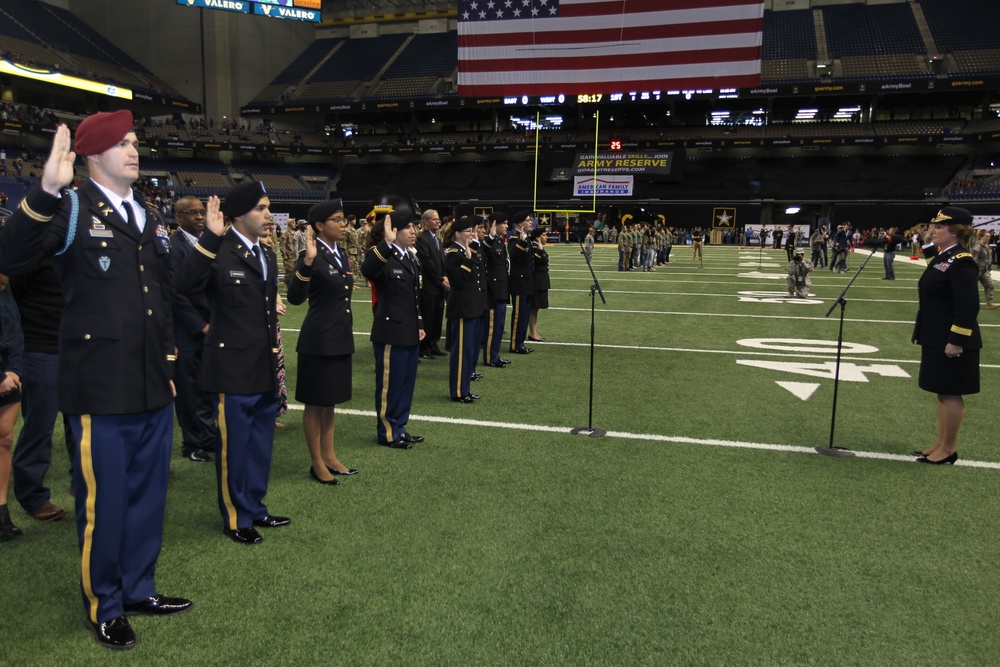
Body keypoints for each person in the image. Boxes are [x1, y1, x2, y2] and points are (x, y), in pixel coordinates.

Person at [0, 113, 191, 651]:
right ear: (92, 155)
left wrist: (170, 366)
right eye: (121, 143)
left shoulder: (148, 215)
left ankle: (138, 588)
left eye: (134, 142)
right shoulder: (72, 207)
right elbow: (10, 257)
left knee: (149, 497)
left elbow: (164, 297)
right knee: (102, 503)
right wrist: (44, 192)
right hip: (100, 387)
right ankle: (104, 603)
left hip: (153, 383)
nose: (134, 150)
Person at [176, 181, 290, 545]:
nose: (268, 215)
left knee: (259, 444)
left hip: (263, 363)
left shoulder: (266, 254)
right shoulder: (218, 250)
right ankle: (235, 516)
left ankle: (255, 506)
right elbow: (183, 286)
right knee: (234, 447)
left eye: (268, 207)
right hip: (231, 366)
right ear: (239, 215)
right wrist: (208, 240)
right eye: (261, 208)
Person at [286, 199, 357, 484]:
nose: (342, 225)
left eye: (342, 219)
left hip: (339, 336)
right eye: (336, 220)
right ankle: (316, 462)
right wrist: (307, 262)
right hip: (319, 339)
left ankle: (329, 456)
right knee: (315, 403)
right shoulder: (312, 254)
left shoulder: (340, 254)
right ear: (319, 226)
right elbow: (294, 297)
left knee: (330, 402)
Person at [912, 207, 982, 465]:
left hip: (952, 339)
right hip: (936, 334)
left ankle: (949, 449)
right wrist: (929, 241)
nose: (933, 230)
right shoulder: (947, 256)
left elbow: (967, 306)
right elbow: (933, 263)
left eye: (939, 227)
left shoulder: (962, 261)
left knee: (951, 392)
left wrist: (957, 340)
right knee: (941, 391)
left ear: (954, 232)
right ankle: (941, 442)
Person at [360, 201, 425, 449]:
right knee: (390, 385)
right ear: (393, 231)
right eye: (407, 227)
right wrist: (385, 244)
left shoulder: (409, 258)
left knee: (406, 383)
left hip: (408, 329)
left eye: (413, 227)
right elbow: (368, 270)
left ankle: (400, 426)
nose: (413, 231)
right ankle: (388, 432)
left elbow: (413, 297)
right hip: (390, 331)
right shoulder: (383, 256)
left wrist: (419, 322)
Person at [9, 257, 69, 523]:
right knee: (39, 425)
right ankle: (32, 495)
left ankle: (85, 483)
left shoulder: (83, 240)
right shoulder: (32, 249)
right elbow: (14, 298)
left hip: (81, 346)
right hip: (40, 347)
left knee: (84, 423)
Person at [169, 196, 215, 463]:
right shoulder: (174, 247)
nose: (199, 217)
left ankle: (208, 436)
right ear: (178, 217)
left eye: (202, 212)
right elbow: (176, 293)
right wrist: (200, 325)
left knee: (207, 386)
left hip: (211, 324)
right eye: (192, 213)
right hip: (188, 329)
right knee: (189, 389)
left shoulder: (209, 242)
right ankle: (192, 443)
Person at [444, 216, 485, 403]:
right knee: (461, 352)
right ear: (458, 234)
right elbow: (458, 281)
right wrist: (468, 261)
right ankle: (459, 391)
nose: (471, 234)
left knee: (469, 350)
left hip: (472, 307)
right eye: (468, 231)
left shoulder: (465, 250)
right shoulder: (454, 253)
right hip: (462, 308)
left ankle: (465, 388)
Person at [0, 273, 24, 542]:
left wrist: (14, 369)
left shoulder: (5, 282)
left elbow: (15, 329)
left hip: (8, 374)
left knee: (4, 440)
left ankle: (2, 515)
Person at [415, 209, 448, 360]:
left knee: (437, 316)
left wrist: (445, 276)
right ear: (425, 222)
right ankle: (424, 347)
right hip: (429, 285)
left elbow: (441, 262)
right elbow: (427, 263)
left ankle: (434, 344)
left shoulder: (437, 239)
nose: (438, 221)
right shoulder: (422, 238)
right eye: (434, 219)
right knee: (429, 315)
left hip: (439, 284)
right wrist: (441, 279)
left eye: (438, 219)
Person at [482, 213, 511, 369]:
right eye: (504, 223)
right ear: (495, 225)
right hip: (493, 290)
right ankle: (490, 357)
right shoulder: (490, 241)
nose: (507, 226)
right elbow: (483, 252)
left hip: (501, 288)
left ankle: (496, 354)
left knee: (499, 326)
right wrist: (490, 237)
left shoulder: (500, 241)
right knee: (492, 327)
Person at [508, 211, 535, 354]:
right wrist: (522, 241)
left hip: (527, 283)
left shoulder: (526, 237)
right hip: (519, 283)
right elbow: (514, 256)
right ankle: (515, 344)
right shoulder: (514, 238)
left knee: (525, 315)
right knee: (519, 316)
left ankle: (520, 343)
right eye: (528, 220)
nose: (531, 222)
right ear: (520, 223)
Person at [528, 227, 549, 342]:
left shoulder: (538, 247)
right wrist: (540, 251)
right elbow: (534, 263)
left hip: (541, 281)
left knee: (536, 308)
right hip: (537, 281)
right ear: (537, 237)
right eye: (544, 235)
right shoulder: (535, 248)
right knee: (533, 308)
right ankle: (532, 333)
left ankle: (534, 332)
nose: (546, 237)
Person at [972, 230, 999, 309]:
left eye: (989, 236)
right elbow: (972, 258)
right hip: (976, 270)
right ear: (981, 237)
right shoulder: (977, 246)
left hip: (984, 270)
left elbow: (988, 259)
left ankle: (989, 303)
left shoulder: (986, 246)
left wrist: (989, 269)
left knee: (990, 285)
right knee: (971, 288)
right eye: (986, 236)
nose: (988, 238)